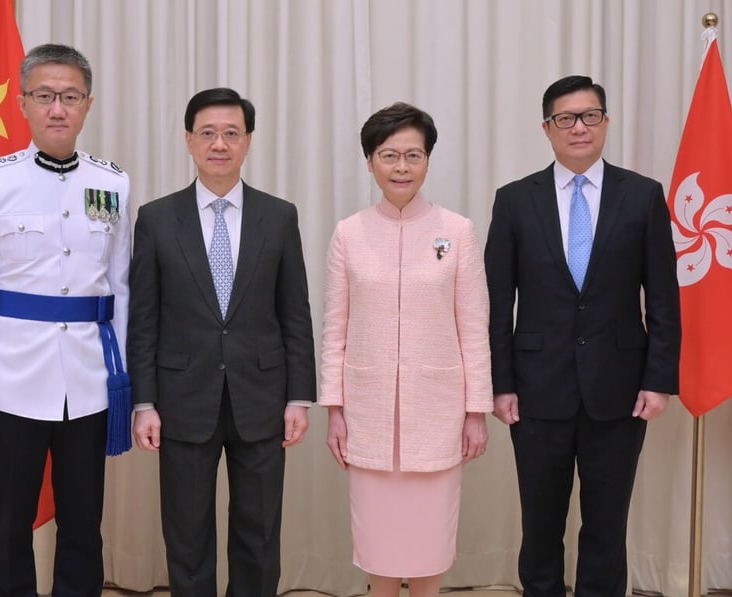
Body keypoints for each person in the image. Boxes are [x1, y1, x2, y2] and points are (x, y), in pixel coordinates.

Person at [0, 43, 131, 596]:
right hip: (11, 381)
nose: (57, 108)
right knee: (11, 524)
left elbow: (120, 286)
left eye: (70, 97)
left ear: (88, 104)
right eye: (45, 96)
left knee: (84, 525)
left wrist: (123, 380)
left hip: (89, 382)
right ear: (22, 103)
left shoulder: (112, 183)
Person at [484, 75, 681, 596]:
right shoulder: (514, 200)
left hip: (620, 389)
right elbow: (497, 303)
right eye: (566, 118)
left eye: (590, 116)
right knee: (540, 525)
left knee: (607, 526)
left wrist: (659, 380)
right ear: (547, 128)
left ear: (606, 123)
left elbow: (664, 296)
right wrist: (501, 384)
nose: (579, 127)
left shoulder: (642, 196)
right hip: (535, 391)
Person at [127, 87, 316, 597]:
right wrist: (143, 402)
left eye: (231, 133)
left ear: (248, 141)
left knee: (260, 532)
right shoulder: (156, 218)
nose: (219, 144)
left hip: (262, 397)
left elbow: (294, 312)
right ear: (189, 140)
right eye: (208, 133)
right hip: (182, 399)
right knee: (186, 534)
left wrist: (299, 397)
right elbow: (143, 319)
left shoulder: (279, 215)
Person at [319, 102, 492, 597]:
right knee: (378, 542)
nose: (401, 167)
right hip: (368, 412)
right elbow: (335, 329)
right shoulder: (349, 233)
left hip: (438, 414)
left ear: (428, 161)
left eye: (413, 155)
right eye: (389, 155)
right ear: (370, 162)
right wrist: (335, 410)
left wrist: (475, 411)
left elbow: (473, 327)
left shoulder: (456, 231)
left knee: (430, 542)